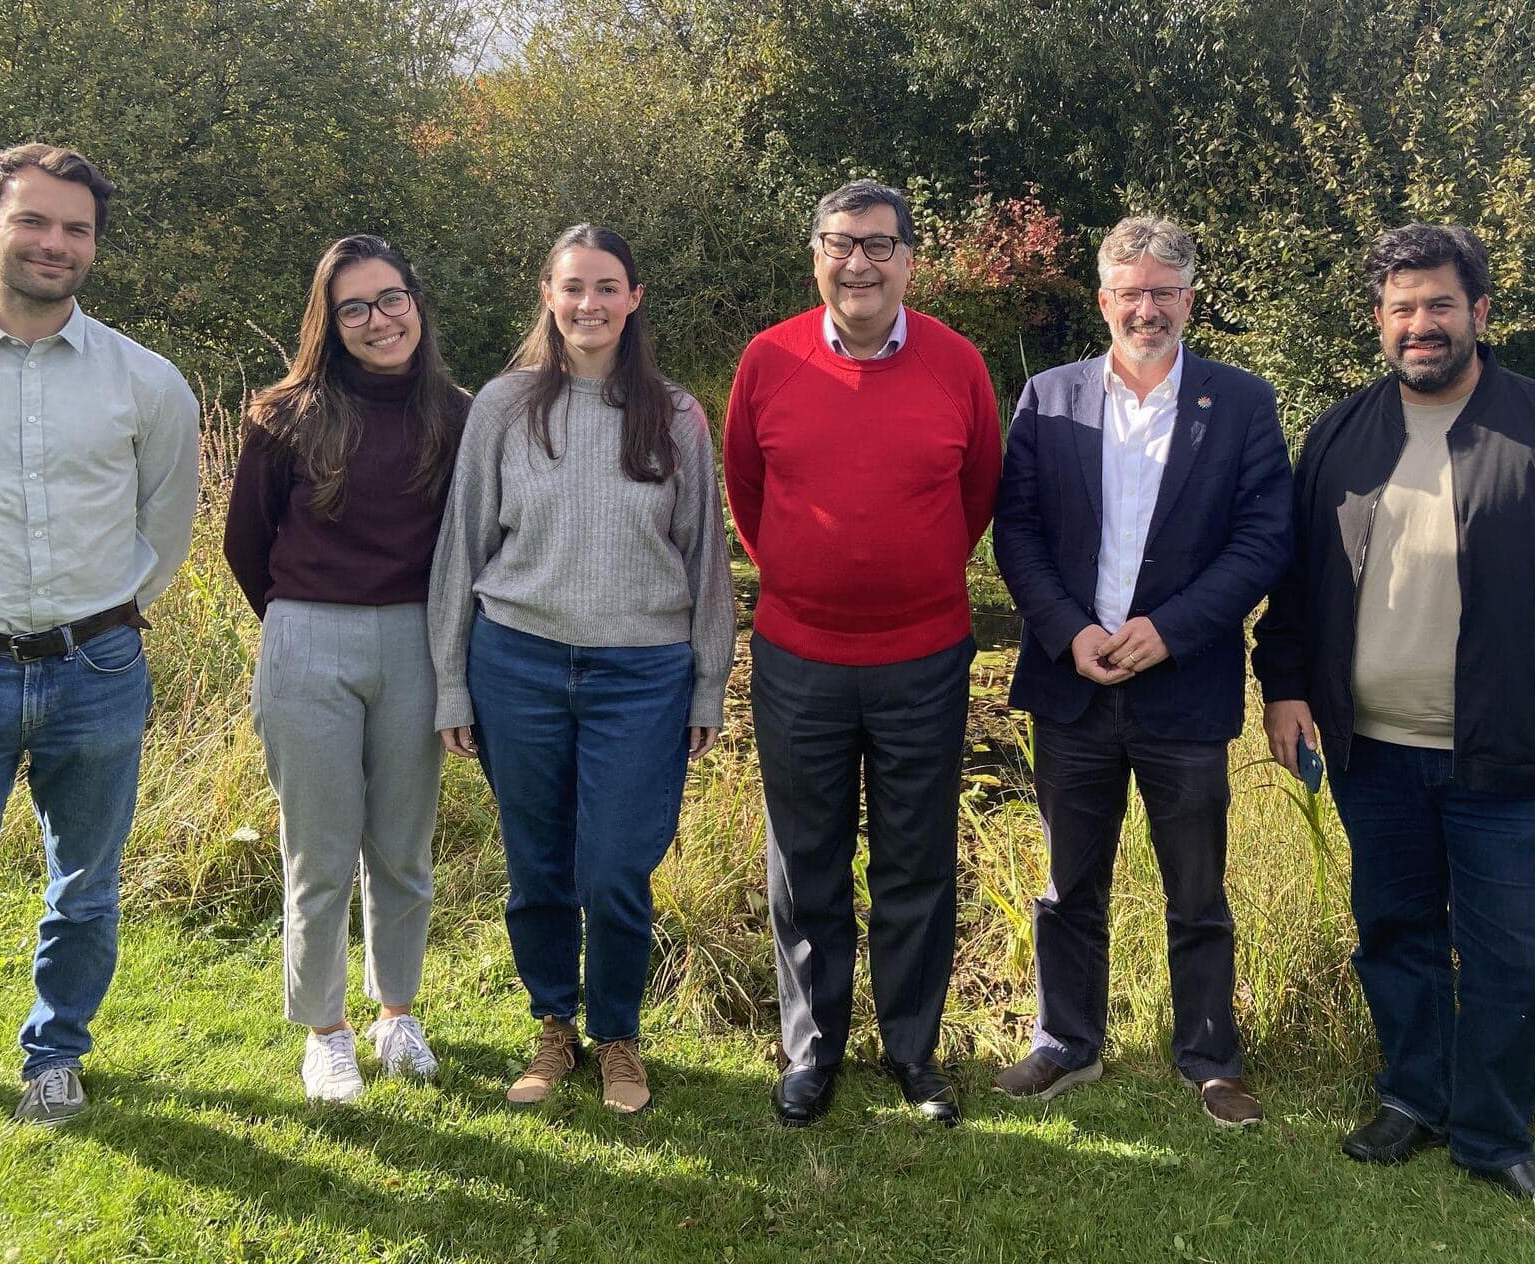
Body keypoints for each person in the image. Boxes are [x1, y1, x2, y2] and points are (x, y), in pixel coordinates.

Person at [1252, 222, 1535, 1226]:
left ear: (1478, 313)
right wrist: (1283, 685)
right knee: (1393, 936)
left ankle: (1493, 1136)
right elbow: (1294, 586)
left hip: (1513, 758)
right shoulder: (1340, 434)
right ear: (1377, 323)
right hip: (1370, 752)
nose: (1418, 326)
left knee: (1512, 955)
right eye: (1399, 309)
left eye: (1437, 305)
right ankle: (1411, 1101)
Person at [989, 216, 1290, 1126]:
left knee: (1196, 888)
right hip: (1073, 684)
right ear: (1104, 299)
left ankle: (1208, 1056)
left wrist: (1175, 629)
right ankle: (1066, 1043)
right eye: (1131, 293)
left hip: (1183, 685)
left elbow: (1264, 540)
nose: (1147, 308)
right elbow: (1019, 532)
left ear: (1190, 298)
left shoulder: (1241, 403)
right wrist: (1067, 631)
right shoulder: (1049, 398)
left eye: (1165, 292)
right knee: (1066, 884)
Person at [428, 224, 734, 1118]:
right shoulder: (503, 406)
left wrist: (709, 680)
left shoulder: (675, 416)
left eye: (607, 287)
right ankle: (553, 1025)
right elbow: (462, 548)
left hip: (641, 674)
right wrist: (452, 679)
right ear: (548, 295)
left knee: (613, 868)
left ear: (634, 298)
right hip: (516, 663)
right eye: (573, 287)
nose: (589, 305)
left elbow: (707, 557)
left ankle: (619, 1036)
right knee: (539, 866)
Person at [724, 179, 1001, 1127]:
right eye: (842, 243)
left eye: (880, 245)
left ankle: (913, 1051)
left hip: (924, 656)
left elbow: (976, 498)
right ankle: (812, 1051)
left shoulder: (958, 365)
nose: (860, 263)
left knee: (916, 857)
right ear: (816, 256)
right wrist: (812, 581)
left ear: (911, 261)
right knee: (805, 859)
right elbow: (748, 496)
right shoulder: (767, 362)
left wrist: (903, 582)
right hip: (799, 656)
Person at [0, 143, 200, 1124]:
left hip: (97, 667)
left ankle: (55, 1055)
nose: (56, 243)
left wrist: (115, 620)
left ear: (94, 245)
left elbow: (165, 527)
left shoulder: (147, 383)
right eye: (34, 221)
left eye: (76, 228)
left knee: (84, 889)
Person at [224, 235, 470, 1102]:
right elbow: (246, 547)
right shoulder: (281, 415)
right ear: (330, 323)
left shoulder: (459, 413)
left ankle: (397, 1013)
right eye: (355, 307)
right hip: (307, 643)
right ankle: (324, 1032)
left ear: (417, 303)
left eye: (391, 299)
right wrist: (304, 624)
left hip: (417, 643)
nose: (379, 320)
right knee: (319, 854)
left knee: (402, 848)